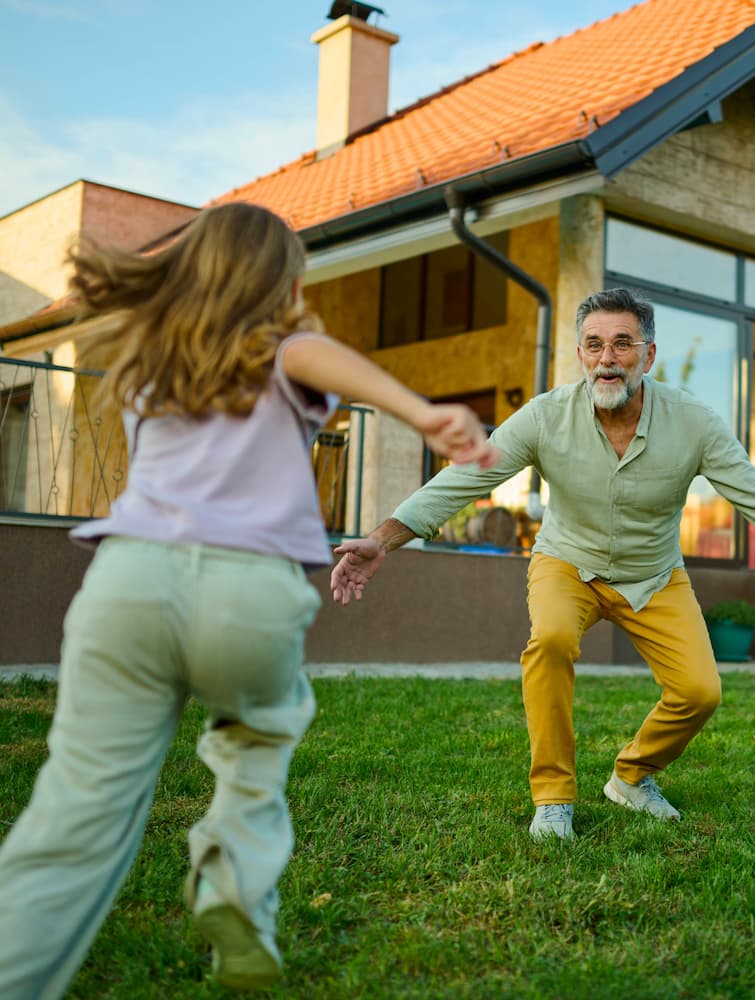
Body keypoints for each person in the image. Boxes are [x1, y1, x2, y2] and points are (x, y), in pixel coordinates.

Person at [0, 202, 500, 998]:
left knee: (76, 808)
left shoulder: (150, 358)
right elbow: (316, 355)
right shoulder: (283, 347)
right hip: (248, 590)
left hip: (128, 581)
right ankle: (234, 889)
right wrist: (422, 412)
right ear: (288, 282)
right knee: (257, 742)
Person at [330, 287, 755, 842]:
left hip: (655, 574)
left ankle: (631, 777)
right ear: (579, 353)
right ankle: (553, 799)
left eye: (623, 343)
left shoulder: (694, 422)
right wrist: (384, 538)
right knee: (550, 640)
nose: (607, 358)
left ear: (648, 356)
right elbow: (466, 477)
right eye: (594, 344)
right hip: (567, 563)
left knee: (701, 692)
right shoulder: (545, 417)